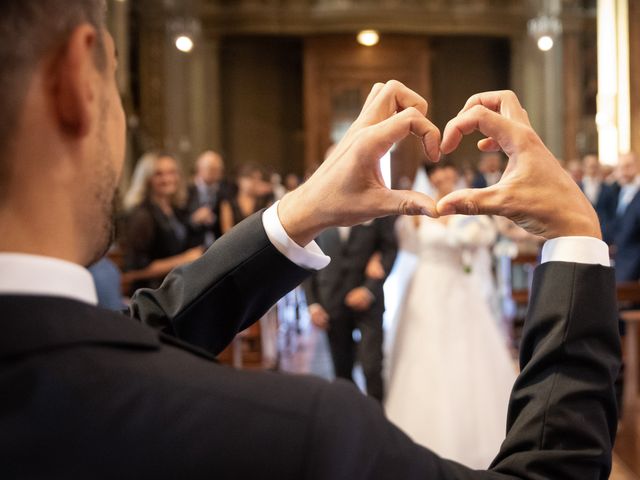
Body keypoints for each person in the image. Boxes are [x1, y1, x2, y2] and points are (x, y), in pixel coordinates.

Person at [0, 3, 619, 478]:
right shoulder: (300, 433)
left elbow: (142, 333)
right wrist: (575, 241)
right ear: (78, 79)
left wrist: (294, 216)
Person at [385, 161, 516, 468]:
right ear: (429, 178)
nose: (442, 176)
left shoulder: (467, 204)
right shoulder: (418, 212)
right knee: (425, 352)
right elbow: (406, 245)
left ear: (454, 174)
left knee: (468, 352)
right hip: (427, 285)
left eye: (447, 171)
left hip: (461, 285)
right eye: (435, 173)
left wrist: (465, 238)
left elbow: (487, 236)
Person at [304, 214, 397, 401]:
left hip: (369, 301)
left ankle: (377, 419)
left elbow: (389, 249)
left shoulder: (375, 209)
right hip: (331, 299)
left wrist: (369, 289)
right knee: (342, 369)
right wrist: (313, 304)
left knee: (372, 366)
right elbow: (306, 259)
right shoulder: (319, 209)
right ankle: (351, 418)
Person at [122, 151, 203, 291]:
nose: (167, 179)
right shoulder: (142, 215)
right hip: (153, 295)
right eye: (159, 174)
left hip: (175, 291)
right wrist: (184, 259)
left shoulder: (175, 209)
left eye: (172, 172)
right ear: (147, 179)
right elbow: (132, 272)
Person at [605, 152, 640, 281]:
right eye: (619, 168)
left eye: (628, 166)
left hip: (633, 265)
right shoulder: (617, 191)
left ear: (637, 166)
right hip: (618, 260)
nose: (623, 171)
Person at [185, 150, 231, 247]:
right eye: (211, 169)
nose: (216, 173)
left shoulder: (223, 190)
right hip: (192, 245)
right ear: (199, 169)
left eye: (218, 170)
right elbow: (177, 223)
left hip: (216, 244)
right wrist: (194, 219)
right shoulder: (186, 191)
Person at [580, 154, 616, 230]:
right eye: (590, 166)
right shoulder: (577, 187)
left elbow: (612, 213)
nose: (592, 169)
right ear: (584, 167)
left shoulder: (608, 189)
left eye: (595, 166)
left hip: (604, 230)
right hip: (582, 229)